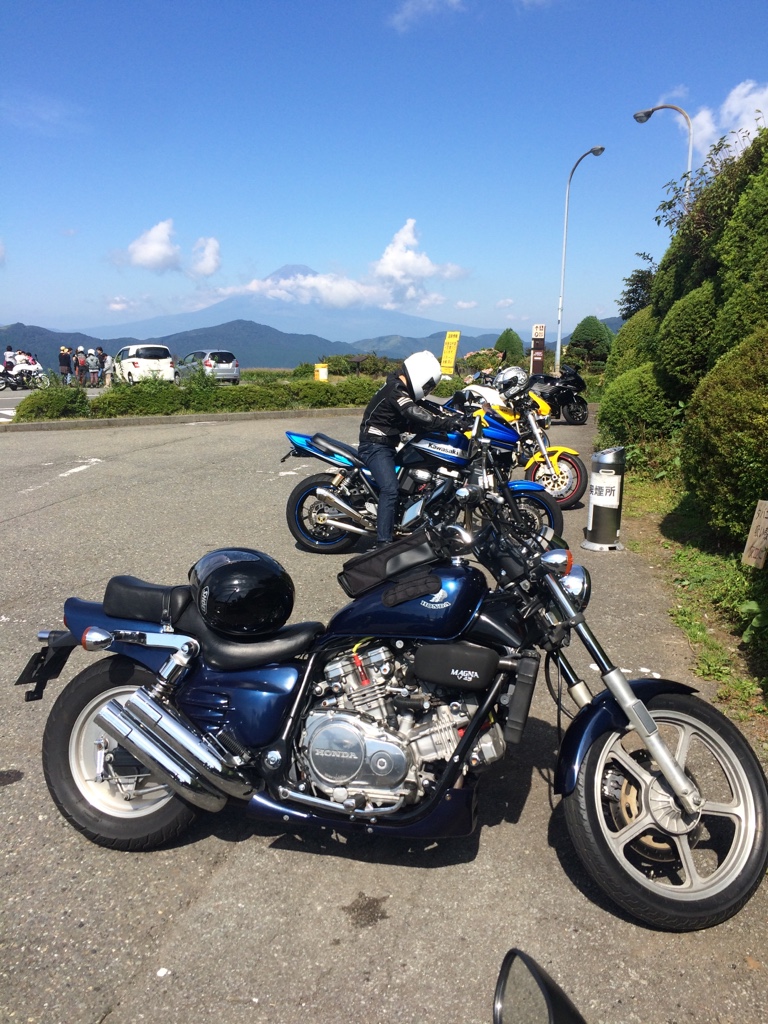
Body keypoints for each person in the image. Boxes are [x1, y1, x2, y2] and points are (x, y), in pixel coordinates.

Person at [358, 350, 453, 547]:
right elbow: (413, 411)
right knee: (390, 489)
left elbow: (428, 406)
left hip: (387, 444)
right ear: (420, 374)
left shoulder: (402, 389)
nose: (428, 389)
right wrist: (444, 423)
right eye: (428, 385)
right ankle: (383, 543)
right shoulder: (395, 390)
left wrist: (455, 414)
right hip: (374, 445)